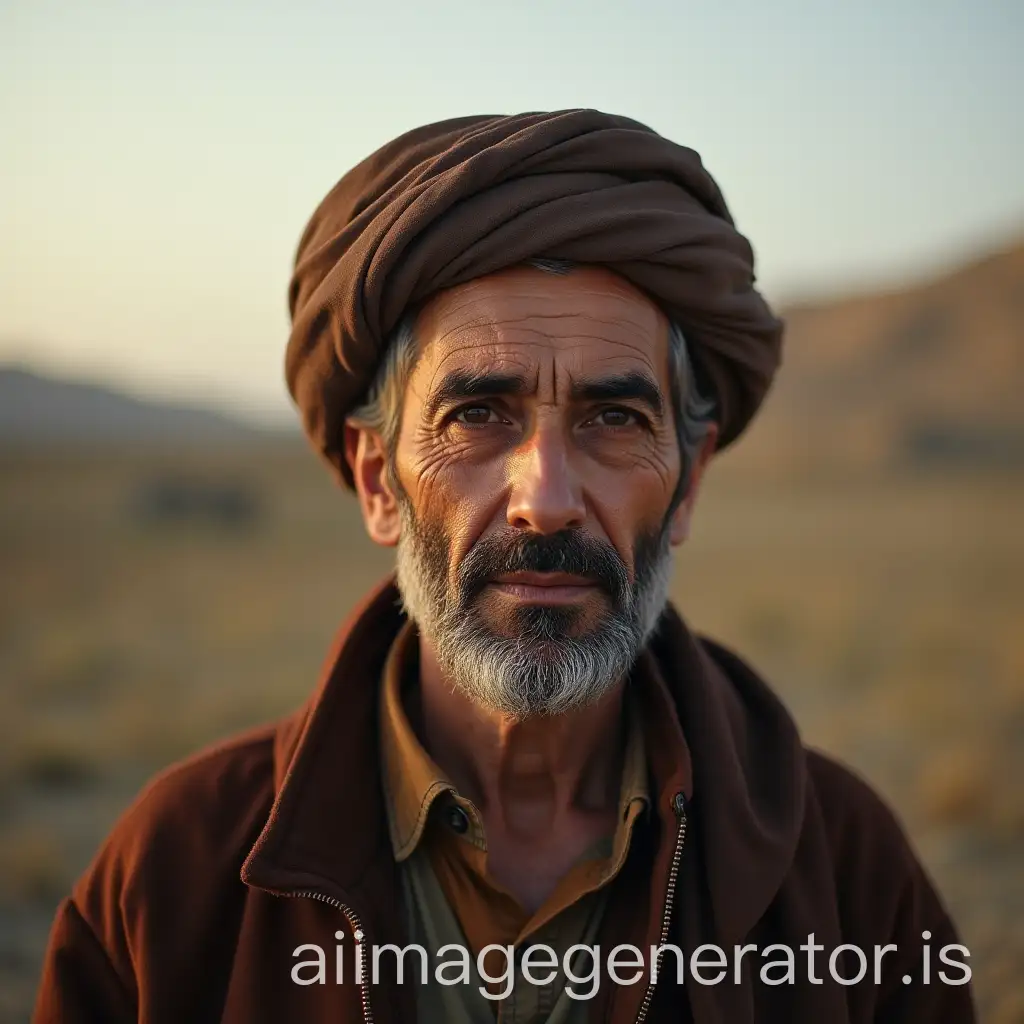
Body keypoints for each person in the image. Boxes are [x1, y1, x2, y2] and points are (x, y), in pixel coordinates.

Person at [33, 110, 975, 1024]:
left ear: (684, 488)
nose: (548, 497)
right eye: (478, 416)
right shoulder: (175, 874)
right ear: (377, 483)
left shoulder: (845, 875)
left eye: (615, 420)